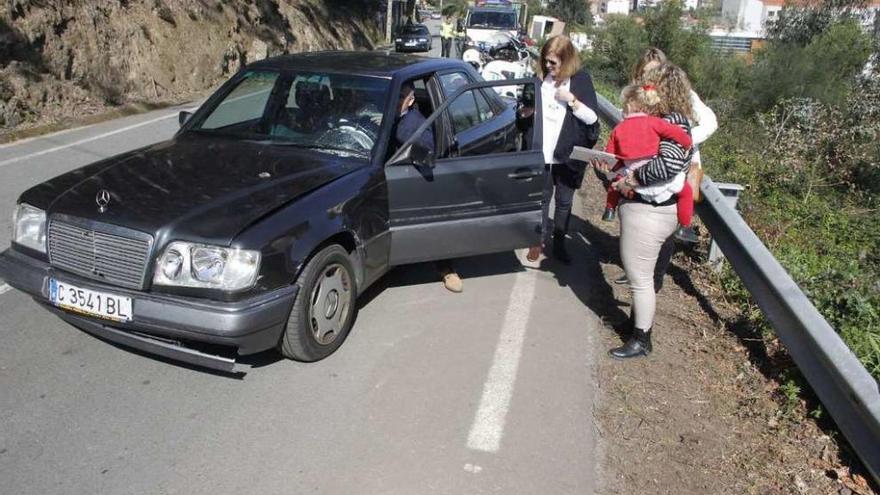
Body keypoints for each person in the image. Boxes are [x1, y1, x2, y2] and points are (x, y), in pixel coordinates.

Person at [596, 63, 710, 359]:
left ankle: (641, 339)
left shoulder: (673, 121)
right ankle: (637, 325)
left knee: (640, 279)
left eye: (650, 84)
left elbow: (669, 164)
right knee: (641, 277)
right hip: (647, 210)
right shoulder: (668, 120)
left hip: (650, 212)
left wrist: (633, 179)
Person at [613, 49, 718, 291]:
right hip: (645, 164)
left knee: (665, 224)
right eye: (645, 72)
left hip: (677, 166)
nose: (650, 77)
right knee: (636, 217)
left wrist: (683, 140)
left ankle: (654, 278)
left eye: (654, 71)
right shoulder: (639, 95)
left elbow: (710, 122)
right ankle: (637, 274)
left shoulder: (683, 95)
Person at [525, 35, 600, 264]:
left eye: (553, 63)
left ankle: (559, 243)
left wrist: (573, 101)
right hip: (543, 154)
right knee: (542, 200)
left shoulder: (581, 81)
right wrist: (526, 113)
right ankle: (537, 241)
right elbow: (526, 106)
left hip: (567, 156)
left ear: (566, 61)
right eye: (546, 61)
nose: (548, 66)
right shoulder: (539, 79)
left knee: (565, 202)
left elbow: (592, 118)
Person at [393, 81, 463, 293]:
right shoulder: (381, 115)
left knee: (436, 219)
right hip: (383, 176)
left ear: (411, 100)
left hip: (412, 177)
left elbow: (428, 151)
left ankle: (446, 268)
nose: (395, 100)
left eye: (400, 96)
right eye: (394, 95)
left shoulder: (417, 123)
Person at [602, 84, 694, 229]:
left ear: (629, 106)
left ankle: (609, 209)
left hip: (629, 170)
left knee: (615, 186)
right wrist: (687, 143)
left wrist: (611, 166)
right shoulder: (656, 122)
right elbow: (676, 134)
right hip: (651, 171)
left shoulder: (618, 128)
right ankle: (684, 227)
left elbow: (610, 154)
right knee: (686, 192)